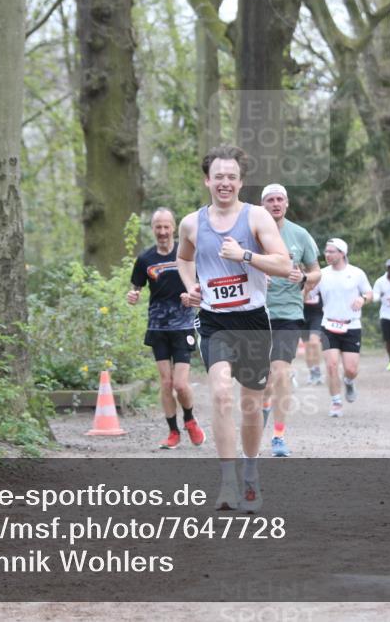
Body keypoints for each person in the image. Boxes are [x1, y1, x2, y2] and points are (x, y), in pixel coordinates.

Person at [176, 145, 292, 512]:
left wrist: (244, 255)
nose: (224, 183)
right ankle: (227, 482)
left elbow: (282, 263)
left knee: (250, 405)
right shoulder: (192, 223)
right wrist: (191, 285)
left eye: (232, 177)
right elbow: (183, 257)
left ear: (241, 182)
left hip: (253, 321)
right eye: (218, 176)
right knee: (222, 394)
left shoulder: (257, 217)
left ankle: (251, 473)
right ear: (207, 180)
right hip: (214, 321)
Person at [127, 208, 206, 450]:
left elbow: (203, 285)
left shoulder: (187, 255)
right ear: (153, 229)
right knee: (166, 383)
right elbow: (135, 287)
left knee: (181, 384)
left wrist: (192, 295)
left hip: (183, 325)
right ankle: (173, 432)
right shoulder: (145, 259)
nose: (162, 232)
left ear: (174, 228)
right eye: (158, 227)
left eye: (166, 227)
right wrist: (132, 295)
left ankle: (190, 420)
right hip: (158, 326)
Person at [258, 183, 321, 457]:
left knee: (280, 373)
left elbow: (318, 272)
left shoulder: (299, 235)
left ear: (287, 204)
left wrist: (305, 278)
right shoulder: (252, 232)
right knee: (263, 379)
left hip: (288, 314)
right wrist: (257, 273)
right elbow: (235, 264)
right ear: (263, 205)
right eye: (270, 200)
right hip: (255, 313)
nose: (275, 204)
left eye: (279, 199)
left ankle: (278, 435)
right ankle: (258, 424)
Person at [316, 238, 372, 418]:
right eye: (326, 251)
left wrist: (362, 299)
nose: (327, 254)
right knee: (331, 365)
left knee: (351, 369)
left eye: (332, 251)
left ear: (342, 253)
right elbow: (307, 291)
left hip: (351, 326)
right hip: (328, 325)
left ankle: (348, 381)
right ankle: (336, 402)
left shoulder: (356, 273)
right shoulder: (321, 274)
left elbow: (369, 293)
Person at [302, 286, 325, 385]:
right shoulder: (299, 279)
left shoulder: (320, 280)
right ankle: (312, 372)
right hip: (302, 314)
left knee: (314, 342)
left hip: (317, 315)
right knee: (307, 346)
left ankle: (317, 370)